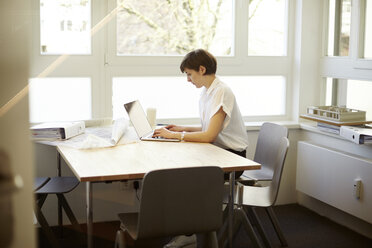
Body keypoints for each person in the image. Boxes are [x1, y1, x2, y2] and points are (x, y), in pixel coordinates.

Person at [154, 49, 249, 248]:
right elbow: (209, 128)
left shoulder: (222, 91)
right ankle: (189, 232)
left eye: (189, 74)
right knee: (180, 173)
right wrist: (182, 128)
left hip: (232, 158)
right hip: (218, 152)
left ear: (202, 69)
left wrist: (175, 136)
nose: (188, 79)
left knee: (185, 178)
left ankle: (192, 234)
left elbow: (209, 136)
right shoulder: (208, 92)